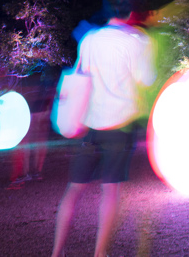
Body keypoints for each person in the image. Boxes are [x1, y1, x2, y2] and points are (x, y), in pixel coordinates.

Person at [51, 14, 156, 257]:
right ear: (130, 14)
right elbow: (145, 79)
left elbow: (79, 74)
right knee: (110, 190)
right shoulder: (135, 40)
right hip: (119, 124)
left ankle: (57, 252)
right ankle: (99, 254)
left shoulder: (89, 39)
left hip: (89, 123)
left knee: (74, 189)